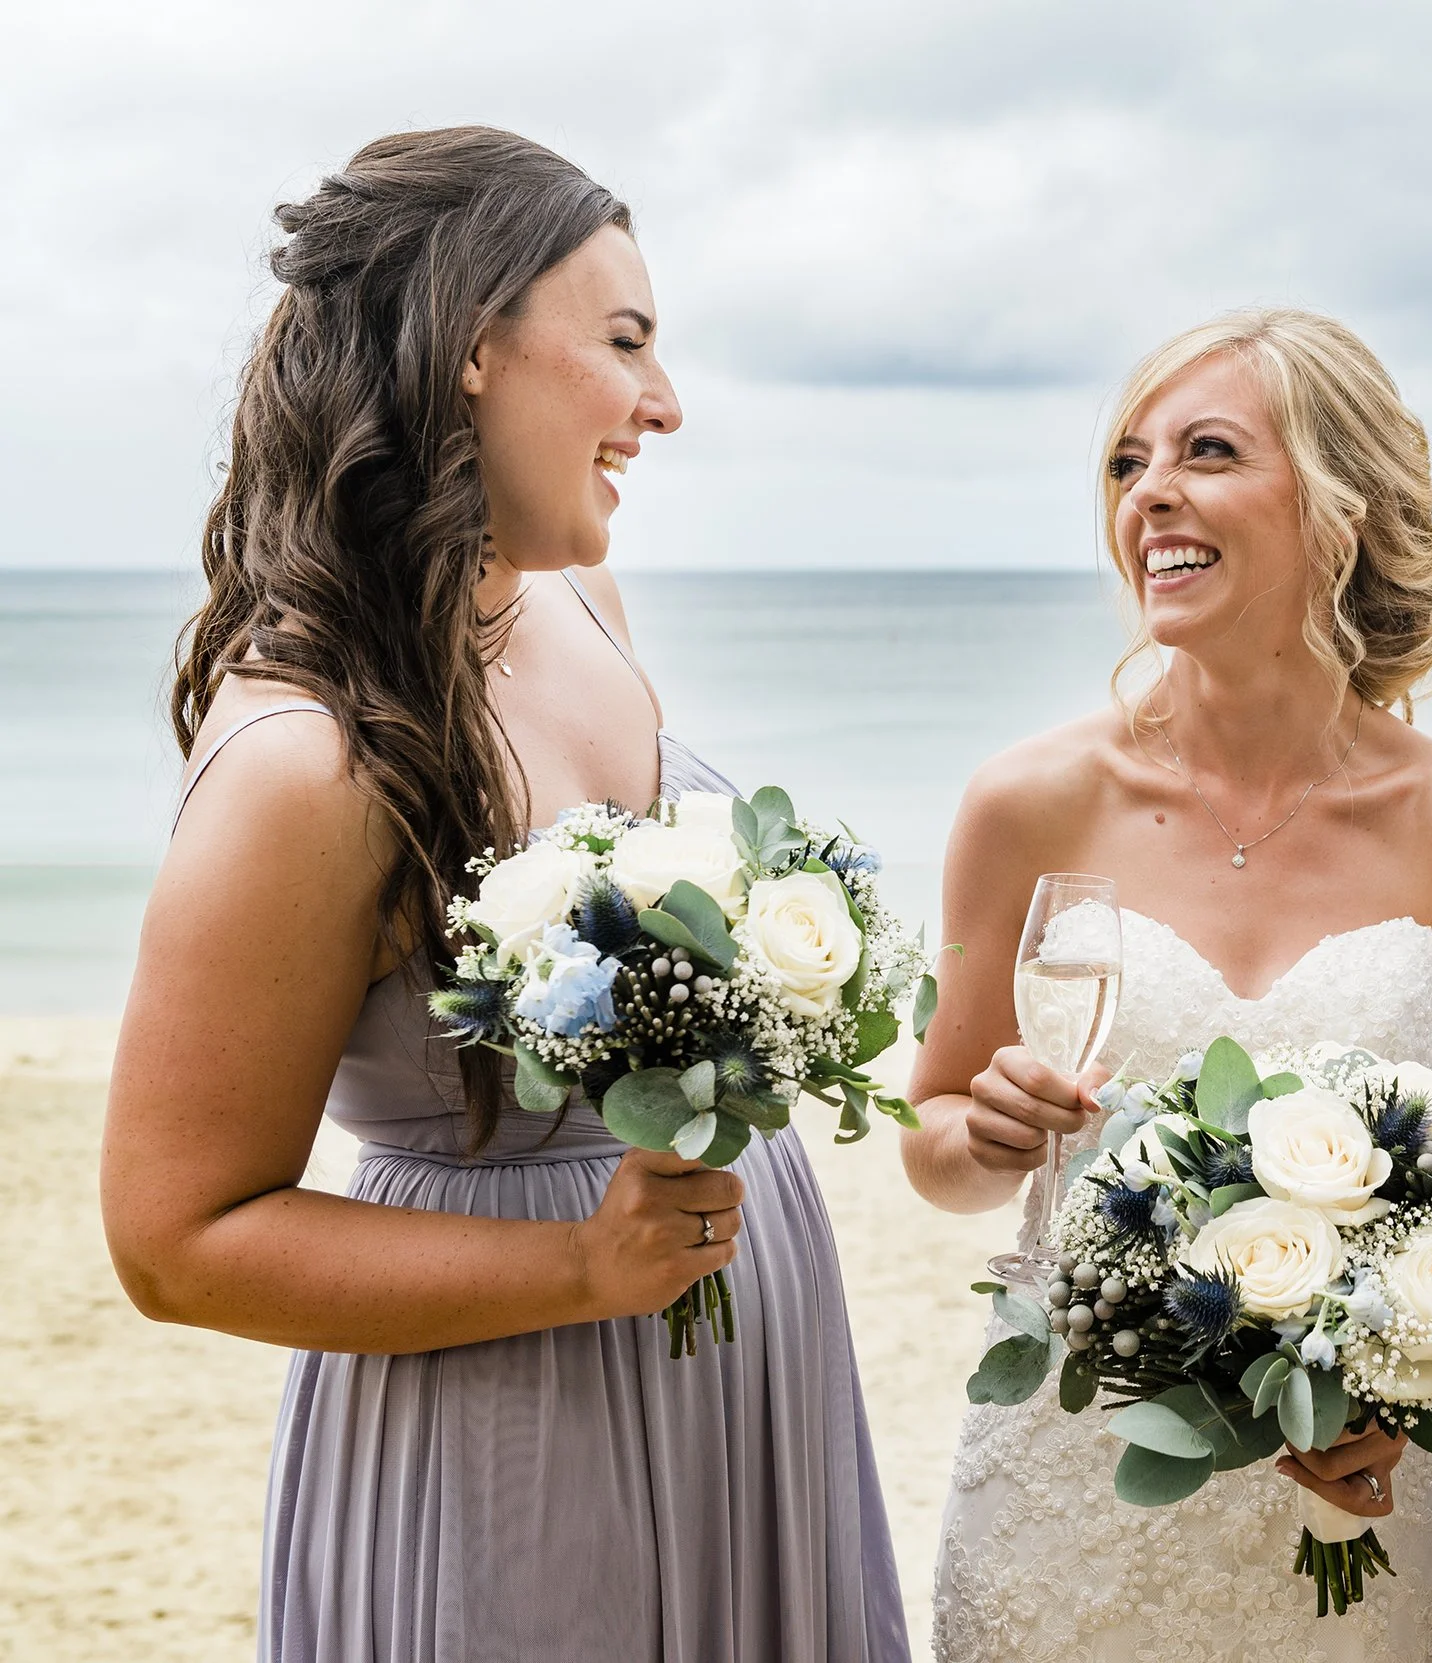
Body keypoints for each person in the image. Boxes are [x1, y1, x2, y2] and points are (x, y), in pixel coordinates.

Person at [99, 128, 907, 1662]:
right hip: (516, 1420)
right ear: (475, 348)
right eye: (625, 343)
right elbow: (171, 1236)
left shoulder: (583, 601)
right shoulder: (302, 762)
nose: (665, 404)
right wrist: (578, 1267)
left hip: (744, 1361)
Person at [903, 308, 1432, 1661]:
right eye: (1128, 464)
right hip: (1069, 1503)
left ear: (1342, 511)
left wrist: (1390, 1399)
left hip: (1349, 1523)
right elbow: (936, 1150)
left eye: (1208, 452)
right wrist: (989, 1130)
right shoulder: (1026, 805)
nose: (1153, 495)